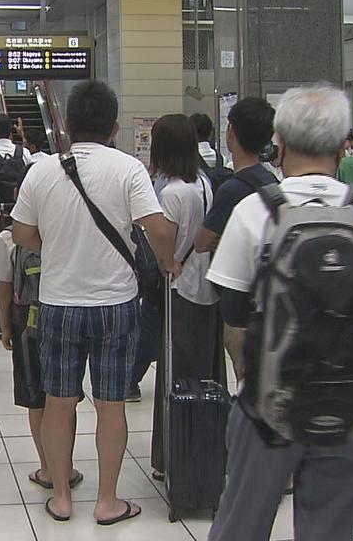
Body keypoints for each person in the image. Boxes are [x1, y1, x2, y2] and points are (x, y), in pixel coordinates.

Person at [206, 84, 353, 541]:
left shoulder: (254, 211)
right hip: (352, 404)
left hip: (268, 402)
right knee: (331, 530)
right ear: (343, 146)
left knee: (241, 522)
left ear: (277, 145)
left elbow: (234, 309)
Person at [10, 79, 176, 526]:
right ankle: (107, 501)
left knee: (59, 401)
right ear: (115, 126)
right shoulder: (128, 169)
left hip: (58, 303)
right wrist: (168, 262)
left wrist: (59, 244)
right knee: (111, 405)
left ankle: (61, 497)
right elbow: (158, 230)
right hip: (115, 304)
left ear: (66, 124)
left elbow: (21, 233)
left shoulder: (42, 170)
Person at [0, 171, 86, 493]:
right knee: (64, 398)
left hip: (26, 327)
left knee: (36, 399)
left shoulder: (9, 237)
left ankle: (47, 468)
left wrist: (4, 327)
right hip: (63, 318)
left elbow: (3, 286)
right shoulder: (66, 232)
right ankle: (67, 466)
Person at [140, 114, 216, 480]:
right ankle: (203, 448)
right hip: (205, 285)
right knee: (203, 371)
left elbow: (163, 244)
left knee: (175, 375)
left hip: (178, 291)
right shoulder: (203, 182)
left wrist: (165, 261)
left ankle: (170, 456)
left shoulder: (170, 193)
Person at [193, 96, 277, 382]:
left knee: (246, 379)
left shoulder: (231, 189)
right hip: (272, 297)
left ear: (231, 133)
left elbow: (202, 242)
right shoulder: (273, 183)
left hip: (240, 300)